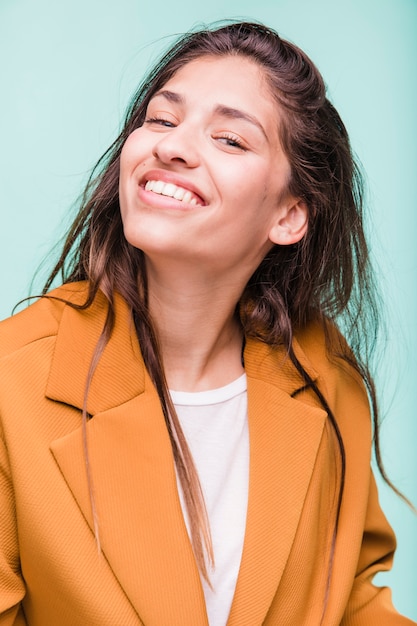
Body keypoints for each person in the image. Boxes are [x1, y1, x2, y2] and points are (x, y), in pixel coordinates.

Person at [0, 20, 414, 626]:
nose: (171, 146)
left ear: (290, 214)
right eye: (162, 120)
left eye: (230, 140)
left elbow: (353, 600)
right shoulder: (13, 379)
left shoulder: (325, 376)